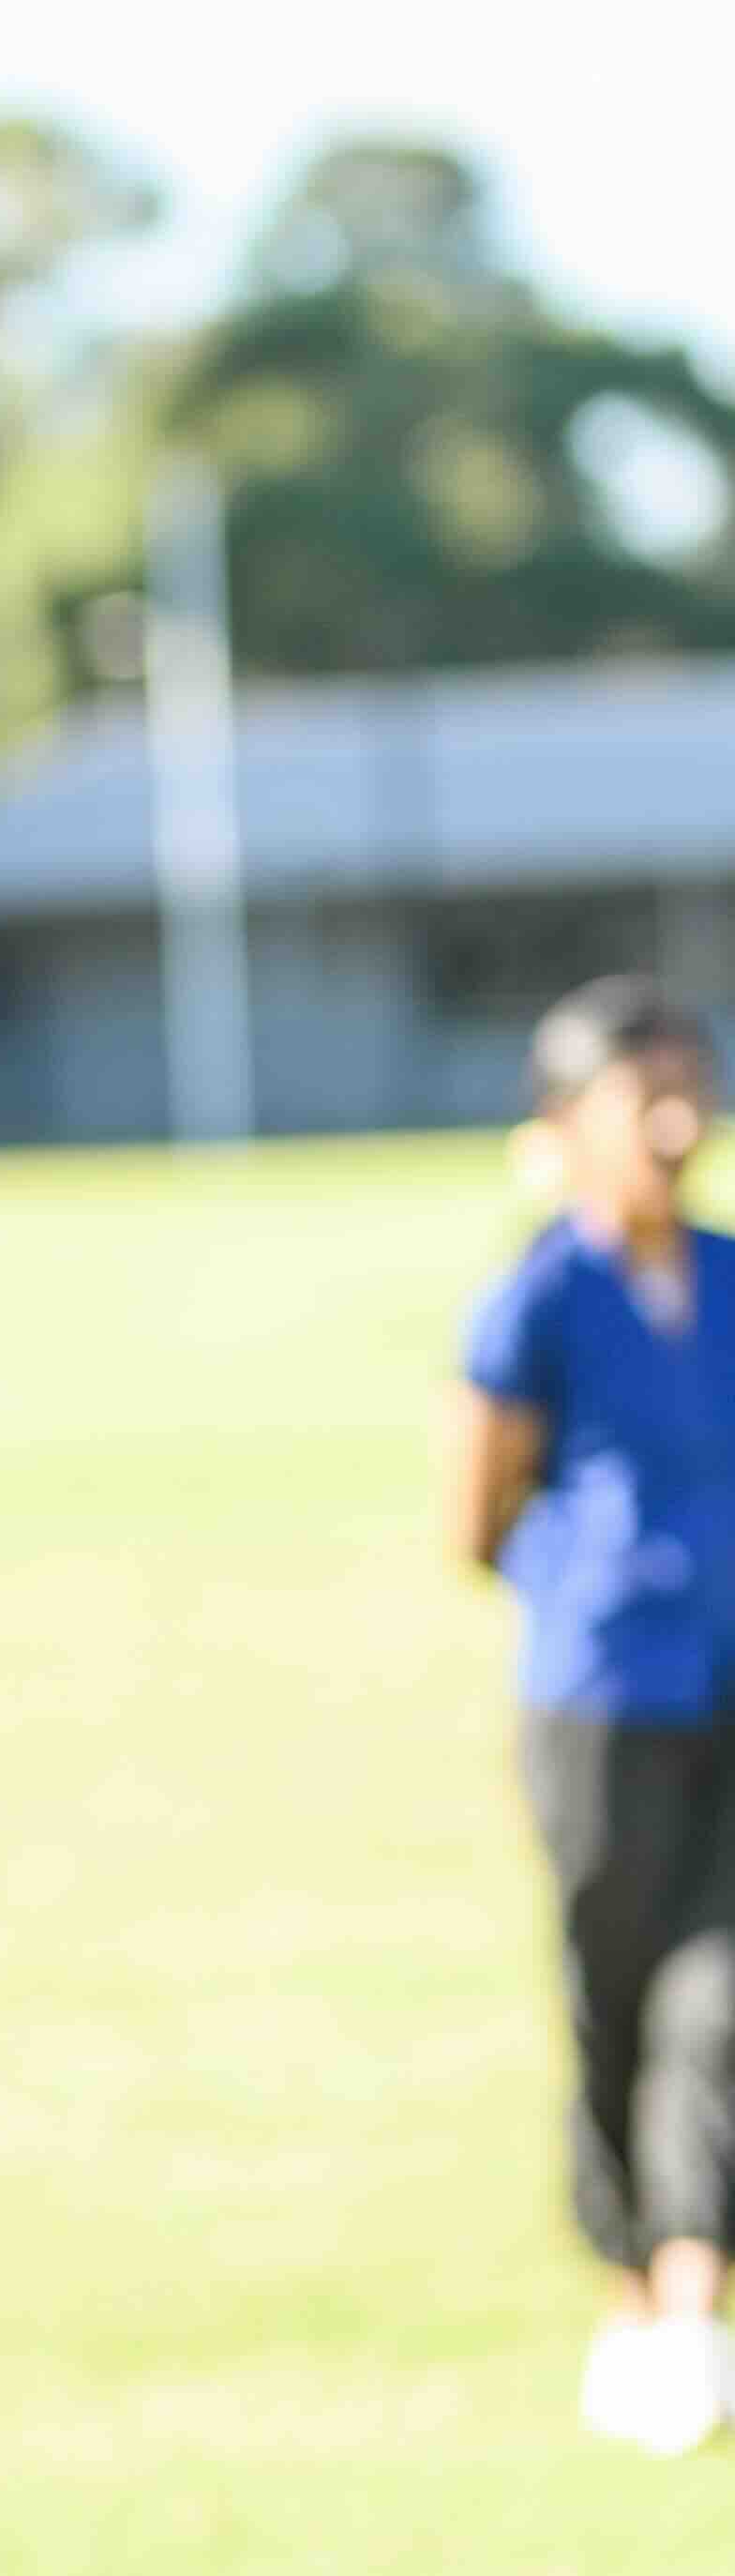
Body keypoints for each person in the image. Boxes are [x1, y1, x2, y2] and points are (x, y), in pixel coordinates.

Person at [450, 978, 735, 2451]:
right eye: (650, 1097)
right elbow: (473, 1506)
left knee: (725, 1993)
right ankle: (630, 2280)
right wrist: (585, 1584)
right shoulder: (538, 1299)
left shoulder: (734, 1275)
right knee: (612, 1982)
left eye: (697, 1087)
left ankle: (695, 2290)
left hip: (728, 1688)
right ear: (570, 1124)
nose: (684, 1122)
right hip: (598, 1699)